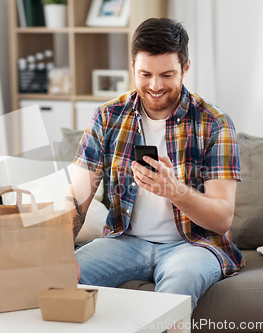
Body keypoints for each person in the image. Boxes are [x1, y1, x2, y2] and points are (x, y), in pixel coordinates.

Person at [64, 17, 244, 312]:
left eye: (167, 74)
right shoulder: (108, 117)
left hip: (193, 246)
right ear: (132, 67)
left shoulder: (214, 123)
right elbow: (76, 199)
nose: (155, 86)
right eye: (145, 74)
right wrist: (58, 252)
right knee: (57, 278)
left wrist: (174, 191)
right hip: (125, 242)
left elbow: (222, 219)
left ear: (185, 68)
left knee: (176, 288)